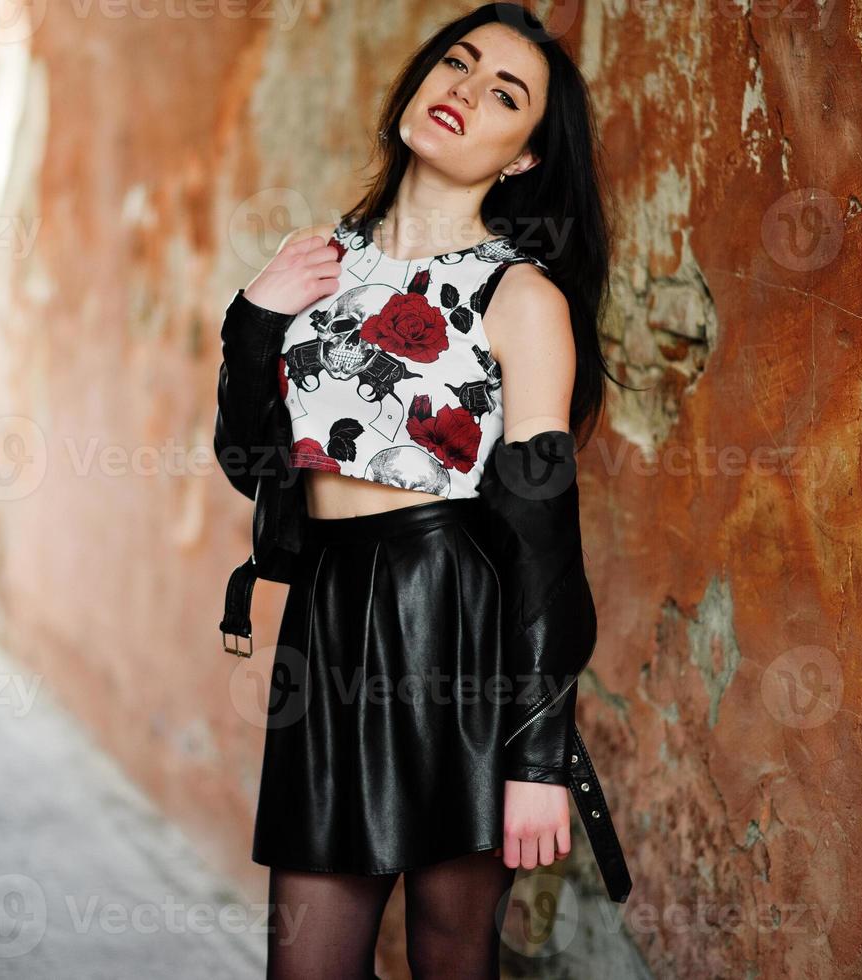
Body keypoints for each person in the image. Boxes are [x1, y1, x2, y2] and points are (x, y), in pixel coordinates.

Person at [213, 5, 628, 977]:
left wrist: (535, 757)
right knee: (305, 963)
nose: (464, 91)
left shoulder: (521, 298)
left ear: (523, 155)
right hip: (326, 620)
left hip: (457, 625)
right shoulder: (316, 263)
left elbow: (542, 540)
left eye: (504, 94)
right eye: (458, 63)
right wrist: (253, 320)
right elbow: (255, 465)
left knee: (450, 954)